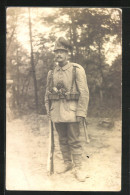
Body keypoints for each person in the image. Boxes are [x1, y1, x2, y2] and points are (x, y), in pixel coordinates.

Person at [45, 37, 89, 182]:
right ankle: (67, 163)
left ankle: (78, 167)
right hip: (56, 112)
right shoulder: (52, 72)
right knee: (62, 140)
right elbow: (47, 94)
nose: (58, 54)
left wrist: (81, 112)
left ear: (68, 53)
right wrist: (49, 111)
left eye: (62, 51)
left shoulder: (76, 69)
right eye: (56, 51)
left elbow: (84, 92)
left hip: (72, 112)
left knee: (74, 140)